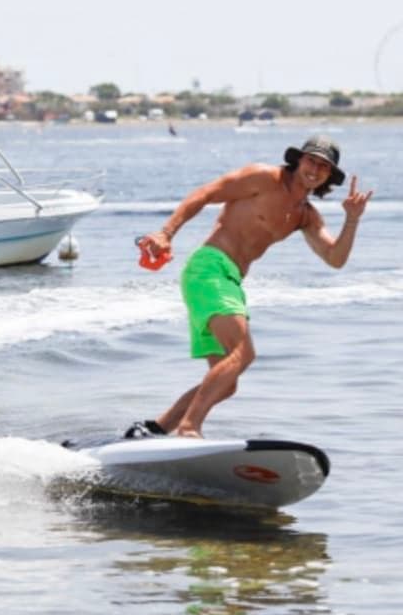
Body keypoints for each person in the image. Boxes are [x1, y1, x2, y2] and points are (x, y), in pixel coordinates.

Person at [128, 135, 372, 438]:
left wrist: (352, 220)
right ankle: (189, 428)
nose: (315, 169)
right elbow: (206, 193)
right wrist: (166, 233)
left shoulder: (305, 216)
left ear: (328, 177)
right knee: (243, 354)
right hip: (210, 267)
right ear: (299, 160)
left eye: (324, 166)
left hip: (229, 280)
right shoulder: (263, 178)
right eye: (311, 160)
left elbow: (335, 258)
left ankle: (155, 428)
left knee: (226, 383)